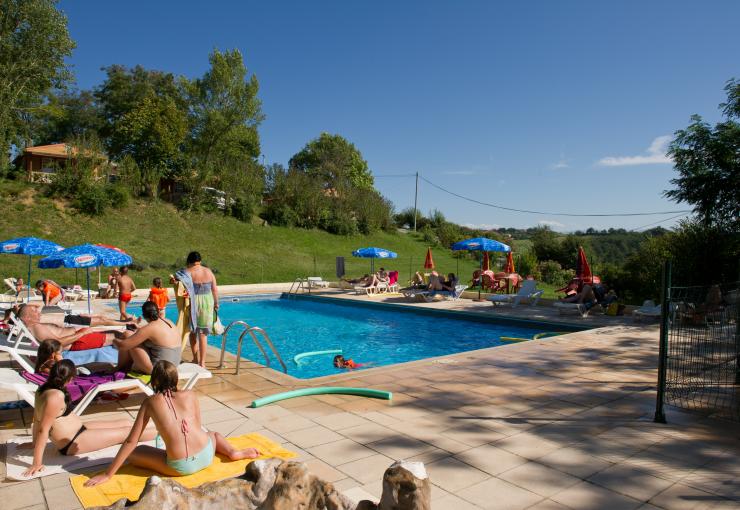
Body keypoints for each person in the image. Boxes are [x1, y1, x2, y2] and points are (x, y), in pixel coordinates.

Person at [84, 361, 260, 486]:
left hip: (181, 467)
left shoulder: (150, 402)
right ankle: (232, 452)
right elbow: (197, 426)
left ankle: (189, 458)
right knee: (212, 434)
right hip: (206, 455)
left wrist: (108, 474)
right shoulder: (191, 394)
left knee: (136, 452)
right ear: (176, 379)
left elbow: (131, 441)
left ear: (154, 381)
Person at [20, 360, 157, 477]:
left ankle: (159, 424)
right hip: (73, 442)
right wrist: (37, 463)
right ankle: (163, 432)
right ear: (70, 378)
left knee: (125, 422)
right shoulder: (55, 397)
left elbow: (37, 418)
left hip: (80, 429)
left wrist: (33, 443)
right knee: (127, 433)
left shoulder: (43, 388)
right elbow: (43, 429)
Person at [176, 252, 218, 368]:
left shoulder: (187, 272)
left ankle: (195, 359)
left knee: (193, 331)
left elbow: (178, 282)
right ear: (200, 260)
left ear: (189, 260)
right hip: (207, 302)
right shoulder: (208, 271)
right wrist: (216, 303)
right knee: (203, 334)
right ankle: (202, 362)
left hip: (193, 302)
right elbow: (214, 289)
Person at [115, 301, 181, 375]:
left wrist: (113, 340)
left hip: (159, 370)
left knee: (127, 335)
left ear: (144, 316)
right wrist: (139, 329)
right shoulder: (169, 322)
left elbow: (122, 346)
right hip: (173, 367)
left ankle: (120, 368)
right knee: (138, 340)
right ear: (158, 311)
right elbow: (155, 333)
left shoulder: (149, 328)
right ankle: (126, 366)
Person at [18, 304, 116, 351]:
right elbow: (57, 344)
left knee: (116, 332)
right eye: (34, 311)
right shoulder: (37, 328)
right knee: (118, 337)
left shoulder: (36, 325)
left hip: (79, 336)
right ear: (27, 318)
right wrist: (82, 333)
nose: (38, 312)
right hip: (79, 341)